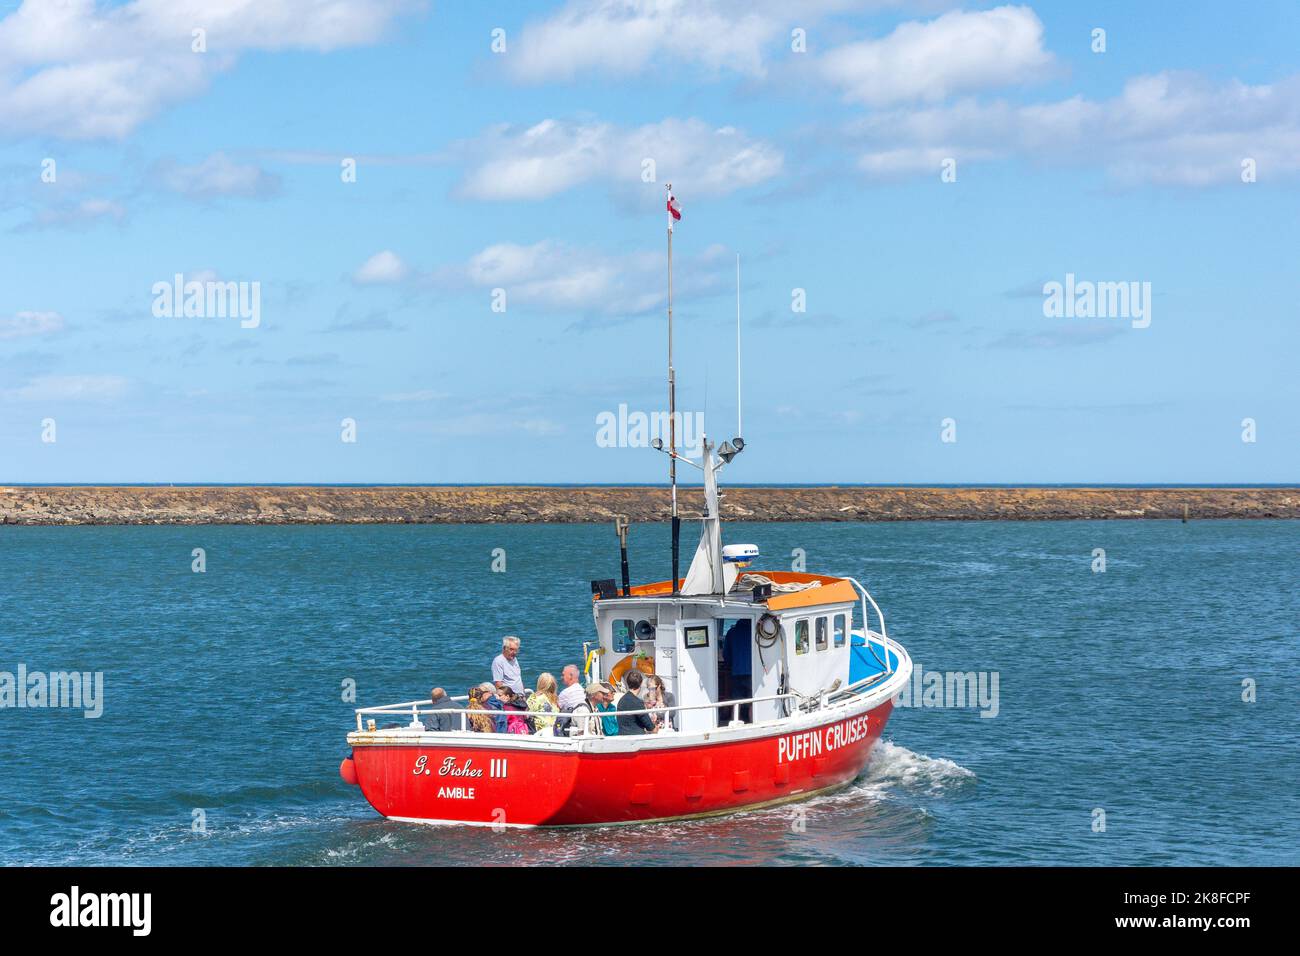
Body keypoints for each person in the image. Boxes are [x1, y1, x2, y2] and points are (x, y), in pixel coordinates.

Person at [616, 670, 656, 735]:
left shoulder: (621, 701)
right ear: (640, 683)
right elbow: (651, 728)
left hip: (622, 737)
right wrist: (656, 727)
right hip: (636, 739)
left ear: (628, 683)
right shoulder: (637, 703)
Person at [528, 672, 560, 736]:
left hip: (540, 731)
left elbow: (526, 713)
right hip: (555, 730)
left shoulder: (534, 697)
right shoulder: (556, 699)